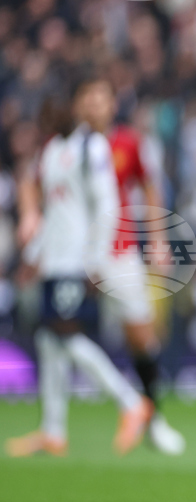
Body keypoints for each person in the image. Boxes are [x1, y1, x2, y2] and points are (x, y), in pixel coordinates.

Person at [5, 80, 150, 458]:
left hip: (76, 259)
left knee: (63, 336)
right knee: (46, 340)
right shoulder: (52, 150)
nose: (47, 115)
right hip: (54, 260)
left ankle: (131, 403)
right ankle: (52, 431)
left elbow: (107, 204)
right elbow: (53, 212)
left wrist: (97, 260)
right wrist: (35, 255)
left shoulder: (92, 146)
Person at [104, 119, 186, 455]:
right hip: (70, 251)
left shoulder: (127, 142)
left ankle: (152, 418)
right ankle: (53, 428)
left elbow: (149, 185)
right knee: (56, 334)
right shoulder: (59, 147)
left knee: (141, 336)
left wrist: (156, 238)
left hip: (117, 250)